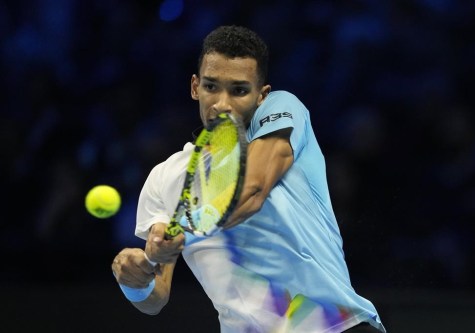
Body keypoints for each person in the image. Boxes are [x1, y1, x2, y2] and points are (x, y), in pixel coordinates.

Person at [111, 25, 386, 333]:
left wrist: (183, 232)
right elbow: (155, 298)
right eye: (211, 87)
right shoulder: (164, 178)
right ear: (194, 87)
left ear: (261, 95)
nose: (223, 104)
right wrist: (134, 280)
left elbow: (251, 191)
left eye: (239, 90)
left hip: (336, 328)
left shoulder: (282, 109)